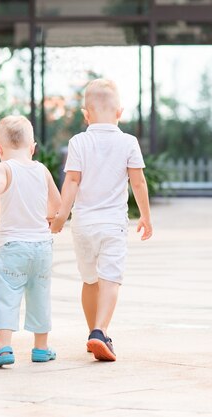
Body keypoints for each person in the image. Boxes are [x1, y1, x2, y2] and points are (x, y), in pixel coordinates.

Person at [50, 79, 153, 362]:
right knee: (111, 279)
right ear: (119, 112)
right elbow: (139, 182)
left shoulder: (78, 141)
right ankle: (100, 330)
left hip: (83, 224)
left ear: (86, 114)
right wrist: (145, 215)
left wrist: (60, 216)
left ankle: (93, 334)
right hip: (113, 224)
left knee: (89, 280)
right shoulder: (128, 142)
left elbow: (72, 180)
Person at [0, 115, 61, 368]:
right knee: (40, 294)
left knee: (7, 294)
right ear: (33, 147)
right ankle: (41, 348)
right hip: (41, 247)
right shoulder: (42, 169)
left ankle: (3, 348)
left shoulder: (4, 168)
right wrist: (49, 218)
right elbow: (57, 204)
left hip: (13, 246)